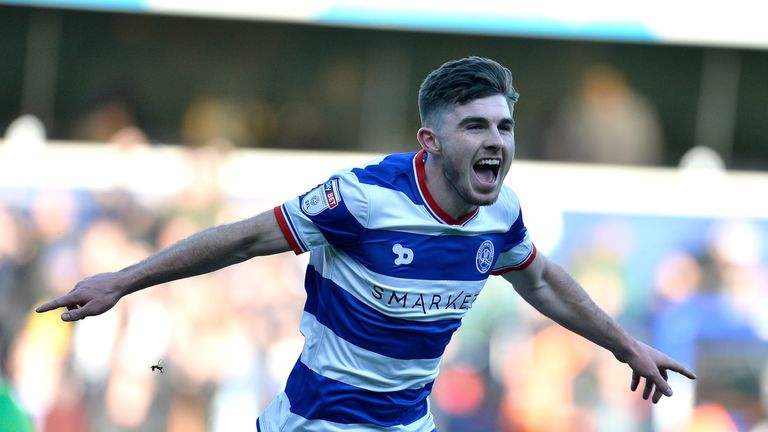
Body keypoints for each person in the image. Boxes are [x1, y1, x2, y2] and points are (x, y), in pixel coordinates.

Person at [36, 56, 696, 431]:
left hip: (407, 424)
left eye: (503, 125)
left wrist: (625, 345)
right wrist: (121, 280)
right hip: (316, 421)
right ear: (430, 143)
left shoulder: (503, 218)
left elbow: (544, 281)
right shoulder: (362, 199)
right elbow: (241, 240)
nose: (495, 139)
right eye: (474, 126)